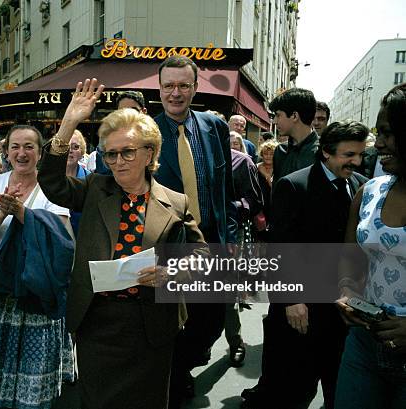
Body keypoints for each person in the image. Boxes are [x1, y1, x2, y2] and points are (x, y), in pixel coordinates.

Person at [37, 78, 206, 409]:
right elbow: (52, 182)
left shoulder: (175, 202)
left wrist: (172, 271)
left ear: (149, 153)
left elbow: (200, 256)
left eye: (127, 152)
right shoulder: (95, 189)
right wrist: (69, 122)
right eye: (110, 154)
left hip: (152, 328)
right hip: (98, 325)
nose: (117, 162)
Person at [243, 121, 369, 409]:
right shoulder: (294, 185)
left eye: (360, 155)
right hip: (301, 310)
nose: (356, 162)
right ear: (326, 152)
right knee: (293, 389)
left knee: (340, 389)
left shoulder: (360, 186)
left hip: (343, 310)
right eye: (348, 155)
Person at [0, 125, 74, 408]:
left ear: (40, 153)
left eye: (29, 146)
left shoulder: (52, 186)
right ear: (6, 152)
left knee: (33, 377)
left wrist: (22, 212)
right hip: (1, 294)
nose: (21, 153)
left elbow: (62, 237)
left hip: (36, 294)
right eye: (15, 146)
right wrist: (3, 212)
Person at [152, 55, 237, 406]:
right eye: (169, 86)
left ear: (194, 87)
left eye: (183, 85)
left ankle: (183, 366)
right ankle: (173, 380)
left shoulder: (214, 127)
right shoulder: (147, 132)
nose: (176, 93)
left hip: (213, 243)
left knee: (213, 319)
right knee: (171, 324)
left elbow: (226, 190)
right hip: (169, 247)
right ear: (159, 89)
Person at [335, 83, 406, 409]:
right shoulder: (369, 191)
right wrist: (347, 291)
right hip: (364, 344)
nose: (379, 144)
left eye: (389, 133)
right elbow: (349, 258)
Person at [224, 132, 264, 367]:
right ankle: (198, 348)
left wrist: (229, 205)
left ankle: (235, 341)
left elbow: (254, 200)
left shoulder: (242, 161)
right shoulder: (191, 158)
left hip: (230, 233)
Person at [66, 129, 91, 235]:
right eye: (65, 147)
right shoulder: (47, 179)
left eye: (75, 147)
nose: (70, 150)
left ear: (82, 153)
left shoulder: (91, 179)